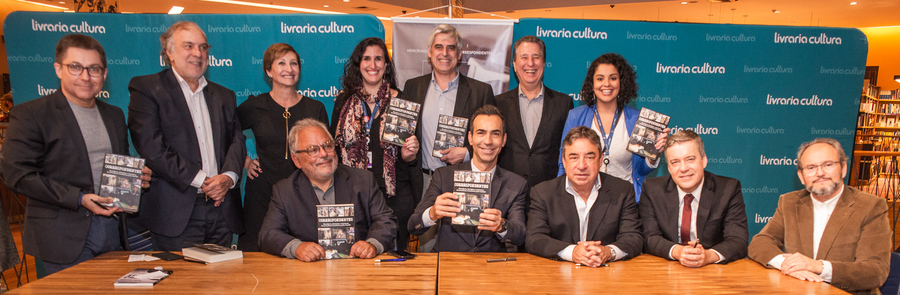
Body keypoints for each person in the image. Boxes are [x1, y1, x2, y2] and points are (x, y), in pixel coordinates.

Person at [1, 34, 150, 274]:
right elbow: (17, 175)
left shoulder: (114, 115)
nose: (85, 76)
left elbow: (117, 167)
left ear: (104, 73)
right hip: (63, 237)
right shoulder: (31, 114)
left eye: (93, 68)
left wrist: (134, 180)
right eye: (75, 67)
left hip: (112, 232)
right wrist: (79, 198)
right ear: (58, 69)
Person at [128, 21, 245, 251]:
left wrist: (228, 178)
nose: (197, 53)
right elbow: (152, 147)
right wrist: (203, 180)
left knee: (222, 284)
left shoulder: (224, 95)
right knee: (180, 285)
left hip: (221, 209)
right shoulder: (147, 88)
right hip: (175, 214)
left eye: (203, 47)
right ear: (170, 53)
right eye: (188, 46)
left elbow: (237, 139)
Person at [748, 138, 891, 294]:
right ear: (801, 176)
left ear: (843, 168)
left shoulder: (870, 206)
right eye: (811, 167)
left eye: (828, 165)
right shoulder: (789, 202)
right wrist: (786, 265)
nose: (820, 173)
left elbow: (875, 271)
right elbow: (760, 242)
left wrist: (818, 267)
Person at [403, 24, 496, 252]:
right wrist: (407, 153)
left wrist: (467, 152)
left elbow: (493, 137)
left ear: (460, 54)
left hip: (464, 182)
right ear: (429, 51)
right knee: (426, 250)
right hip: (424, 182)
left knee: (462, 250)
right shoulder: (412, 87)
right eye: (439, 47)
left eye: (451, 48)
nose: (445, 53)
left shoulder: (480, 91)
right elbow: (406, 136)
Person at [258, 119, 397, 261]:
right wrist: (297, 247)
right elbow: (268, 234)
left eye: (327, 146)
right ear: (296, 160)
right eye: (313, 150)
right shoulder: (285, 191)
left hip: (358, 269)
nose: (324, 154)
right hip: (307, 274)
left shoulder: (363, 181)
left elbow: (385, 220)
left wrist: (371, 244)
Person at [330, 37, 420, 252]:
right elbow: (333, 147)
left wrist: (409, 154)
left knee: (394, 260)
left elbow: (410, 158)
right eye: (366, 59)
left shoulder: (403, 102)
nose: (373, 65)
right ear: (358, 64)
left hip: (395, 196)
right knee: (355, 255)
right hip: (353, 194)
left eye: (378, 59)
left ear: (386, 65)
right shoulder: (344, 102)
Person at [237, 43, 328, 252]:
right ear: (268, 71)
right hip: (261, 193)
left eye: (294, 63)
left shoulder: (315, 108)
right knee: (257, 252)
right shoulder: (254, 106)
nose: (289, 68)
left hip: (304, 192)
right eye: (281, 63)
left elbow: (328, 151)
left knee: (304, 252)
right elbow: (227, 134)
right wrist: (245, 161)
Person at [408, 105, 527, 252]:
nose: (488, 141)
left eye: (495, 134)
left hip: (491, 267)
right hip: (449, 265)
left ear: (504, 140)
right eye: (481, 133)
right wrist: (432, 213)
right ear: (470, 138)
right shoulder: (443, 176)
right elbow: (413, 226)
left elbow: (520, 235)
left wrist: (501, 225)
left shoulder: (516, 184)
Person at [527, 126, 642, 267]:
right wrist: (572, 252)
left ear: (600, 160)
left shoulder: (622, 191)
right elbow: (535, 238)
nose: (581, 165)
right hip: (557, 276)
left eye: (589, 157)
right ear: (564, 161)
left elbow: (633, 237)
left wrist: (608, 252)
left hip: (608, 276)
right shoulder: (543, 193)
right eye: (574, 157)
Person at [558, 53, 668, 199]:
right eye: (600, 78)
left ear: (622, 82)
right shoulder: (575, 116)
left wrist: (653, 155)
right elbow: (563, 163)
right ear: (592, 83)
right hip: (583, 199)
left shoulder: (637, 119)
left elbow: (641, 170)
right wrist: (561, 198)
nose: (607, 84)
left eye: (613, 78)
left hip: (625, 201)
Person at [639, 130, 748, 267]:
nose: (683, 168)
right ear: (669, 167)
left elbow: (738, 240)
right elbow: (648, 237)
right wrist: (678, 252)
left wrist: (709, 255)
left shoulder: (728, 189)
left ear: (704, 160)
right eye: (675, 162)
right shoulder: (652, 189)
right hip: (667, 270)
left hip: (712, 271)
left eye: (690, 159)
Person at [496, 35, 573, 193]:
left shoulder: (563, 103)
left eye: (536, 57)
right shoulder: (498, 104)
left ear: (544, 63)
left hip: (551, 194)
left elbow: (568, 151)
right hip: (508, 193)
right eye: (524, 57)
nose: (530, 63)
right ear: (515, 64)